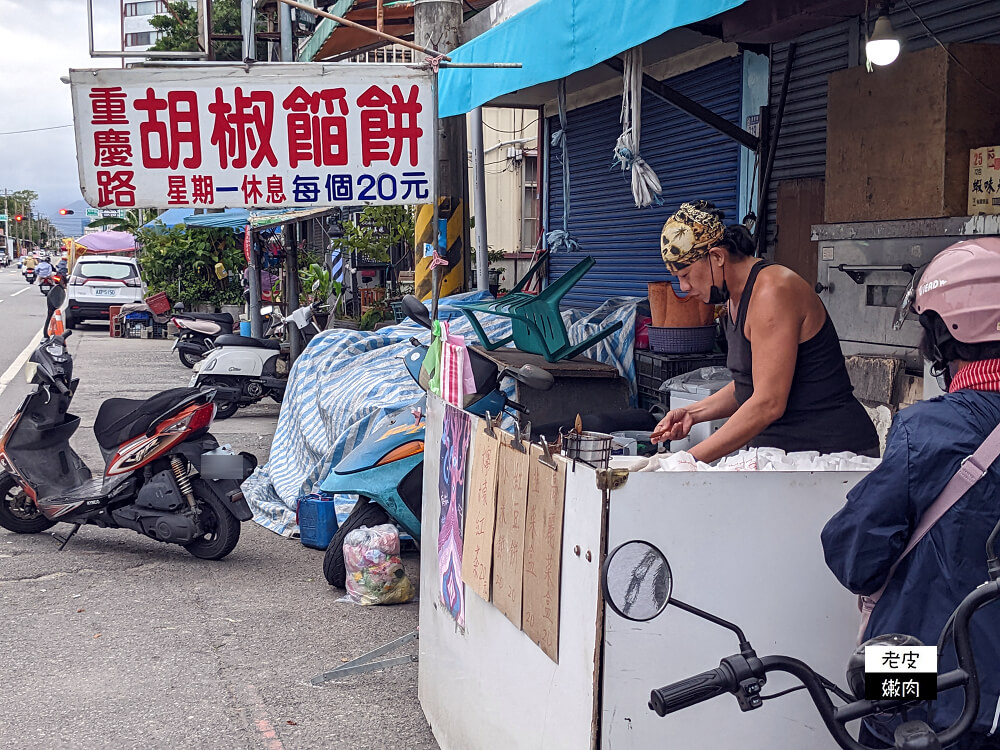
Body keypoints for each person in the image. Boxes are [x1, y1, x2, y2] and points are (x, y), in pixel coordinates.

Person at [822, 238, 1000, 749]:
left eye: (928, 327)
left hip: (917, 668)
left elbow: (853, 555)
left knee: (887, 727)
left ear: (950, 333)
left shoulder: (927, 430)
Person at [651, 201, 878, 462]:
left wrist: (685, 461)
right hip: (785, 454)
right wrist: (694, 413)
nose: (684, 288)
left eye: (687, 275)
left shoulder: (772, 292)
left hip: (830, 454)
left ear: (716, 257)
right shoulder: (732, 300)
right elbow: (749, 384)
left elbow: (768, 403)